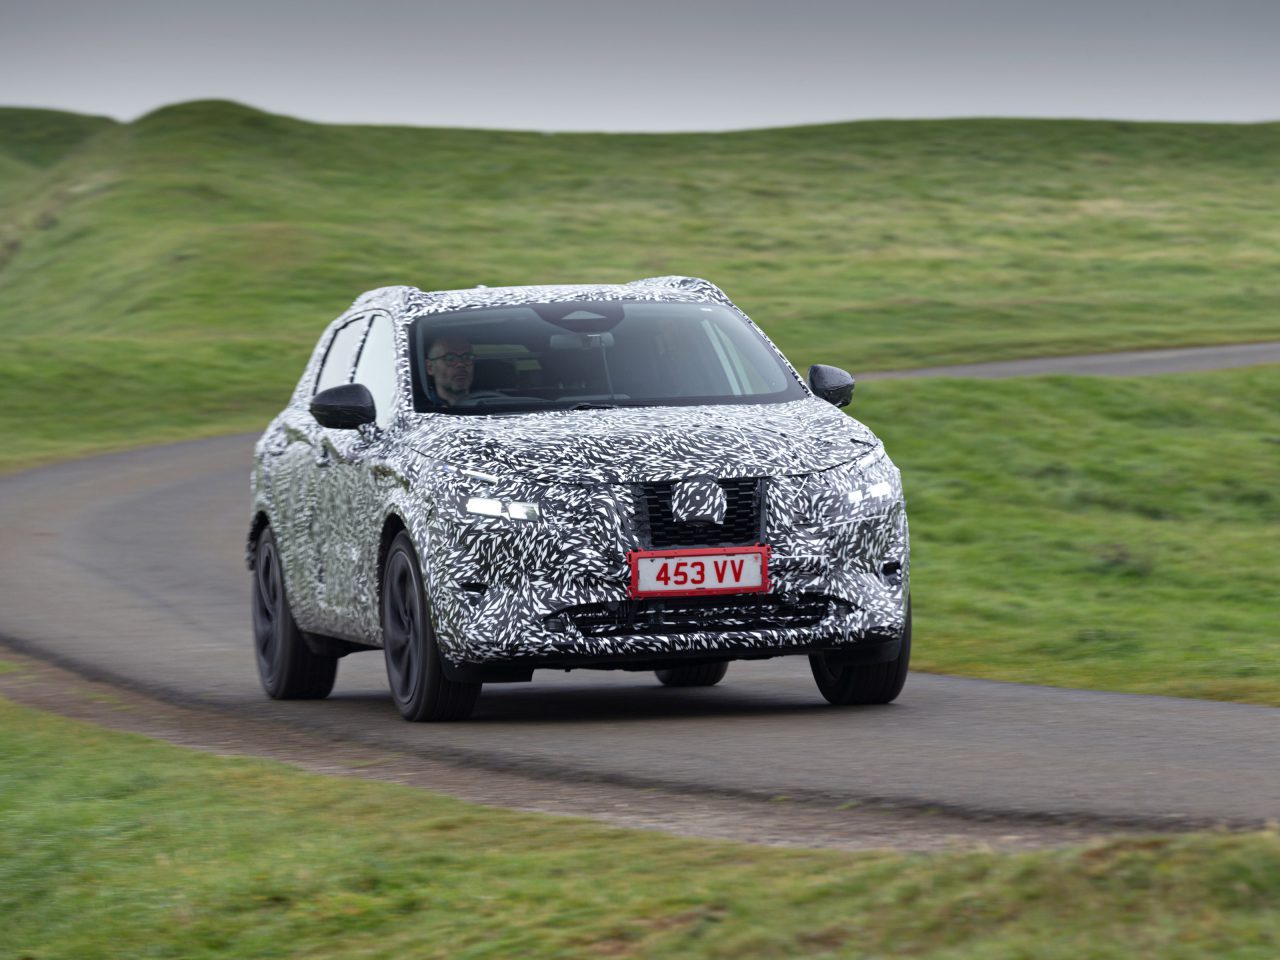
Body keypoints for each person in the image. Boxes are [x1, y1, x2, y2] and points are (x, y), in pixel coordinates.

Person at [425, 337, 474, 406]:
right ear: (430, 367)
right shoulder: (421, 410)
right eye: (450, 358)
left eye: (467, 357)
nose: (461, 364)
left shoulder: (487, 403)